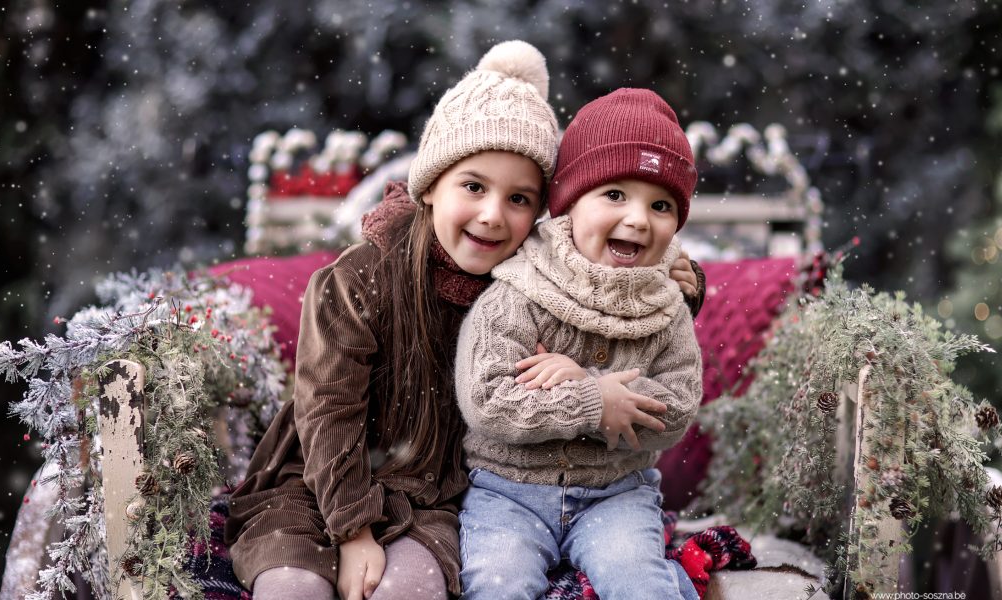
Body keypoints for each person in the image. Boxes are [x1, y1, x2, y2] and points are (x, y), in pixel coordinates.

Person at [225, 43, 703, 600]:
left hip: (435, 494)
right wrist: (354, 530)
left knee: (408, 590)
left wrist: (680, 282)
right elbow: (329, 408)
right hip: (320, 482)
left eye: (520, 198)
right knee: (293, 589)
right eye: (473, 186)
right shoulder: (362, 279)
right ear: (429, 185)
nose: (493, 215)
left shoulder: (528, 280)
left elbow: (613, 288)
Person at [455, 88, 703, 600]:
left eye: (660, 205)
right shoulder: (520, 291)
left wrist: (586, 381)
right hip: (509, 492)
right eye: (614, 195)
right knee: (498, 584)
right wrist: (593, 404)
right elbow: (486, 400)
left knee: (640, 585)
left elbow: (677, 409)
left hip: (616, 495)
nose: (637, 219)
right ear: (568, 206)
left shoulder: (667, 305)